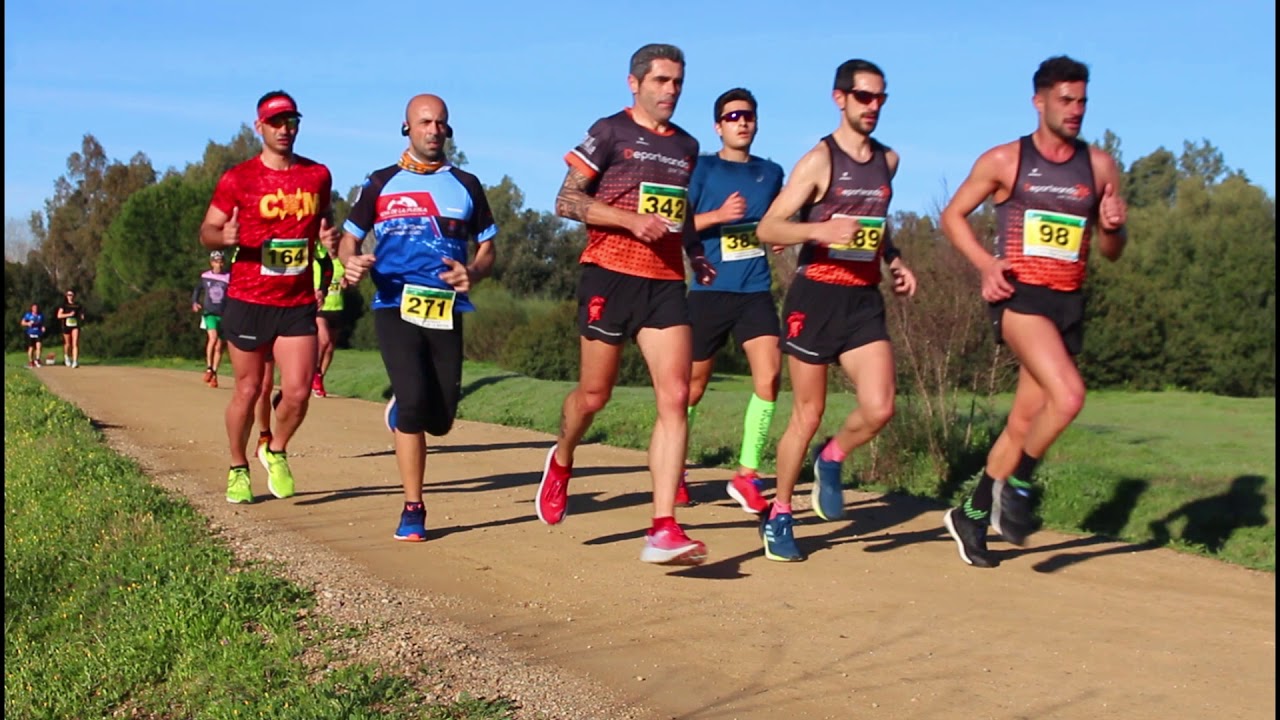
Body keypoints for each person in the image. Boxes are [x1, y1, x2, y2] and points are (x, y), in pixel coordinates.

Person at [939, 56, 1128, 568]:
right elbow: (952, 215)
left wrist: (1111, 227)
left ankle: (972, 514)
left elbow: (1112, 250)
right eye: (1066, 100)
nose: (1076, 110)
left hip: (1067, 304)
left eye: (1082, 101)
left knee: (1025, 420)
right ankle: (1019, 487)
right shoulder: (1006, 161)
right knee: (1068, 397)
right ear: (1039, 101)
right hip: (1019, 299)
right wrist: (984, 264)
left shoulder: (1100, 167)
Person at [534, 43, 716, 566]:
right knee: (594, 397)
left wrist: (695, 253)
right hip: (608, 276)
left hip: (663, 283)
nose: (671, 91)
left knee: (676, 396)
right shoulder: (610, 131)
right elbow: (566, 200)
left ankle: (663, 527)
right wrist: (628, 219)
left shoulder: (687, 146)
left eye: (678, 82)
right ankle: (563, 457)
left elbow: (676, 213)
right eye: (661, 81)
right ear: (634, 84)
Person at [755, 59, 918, 562]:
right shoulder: (818, 162)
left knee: (880, 407)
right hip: (817, 297)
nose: (873, 107)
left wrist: (893, 258)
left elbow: (875, 222)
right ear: (840, 98)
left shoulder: (888, 160)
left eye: (880, 98)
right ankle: (780, 514)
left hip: (863, 297)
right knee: (807, 413)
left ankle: (833, 457)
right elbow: (768, 228)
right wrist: (818, 231)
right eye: (864, 97)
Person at [341, 93, 497, 542]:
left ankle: (406, 408)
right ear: (407, 128)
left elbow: (487, 247)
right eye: (425, 122)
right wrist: (350, 263)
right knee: (413, 403)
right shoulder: (380, 182)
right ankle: (413, 508)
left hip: (446, 307)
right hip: (394, 303)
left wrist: (474, 271)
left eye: (441, 123)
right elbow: (349, 240)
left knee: (442, 419)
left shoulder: (466, 184)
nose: (434, 130)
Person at [199, 90, 339, 504]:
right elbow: (208, 229)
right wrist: (221, 237)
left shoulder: (318, 175)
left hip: (295, 302)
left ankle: (274, 449)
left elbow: (323, 223)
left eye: (291, 122)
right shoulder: (238, 178)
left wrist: (331, 241)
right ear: (258, 127)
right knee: (247, 390)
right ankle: (237, 466)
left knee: (296, 392)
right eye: (276, 122)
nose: (284, 129)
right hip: (248, 299)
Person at [684, 87, 786, 514]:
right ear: (718, 126)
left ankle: (746, 474)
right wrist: (717, 218)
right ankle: (673, 473)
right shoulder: (702, 168)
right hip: (709, 289)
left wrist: (781, 234)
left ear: (757, 122)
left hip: (755, 289)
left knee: (770, 377)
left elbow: (781, 219)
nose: (741, 122)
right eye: (732, 116)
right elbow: (677, 224)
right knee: (691, 388)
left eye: (747, 115)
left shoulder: (772, 173)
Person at [311, 231, 345, 397]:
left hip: (337, 307)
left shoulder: (340, 262)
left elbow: (346, 282)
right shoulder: (318, 261)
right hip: (320, 309)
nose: (332, 245)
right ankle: (314, 372)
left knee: (330, 347)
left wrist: (346, 282)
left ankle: (319, 379)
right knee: (323, 341)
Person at [192, 250, 231, 387]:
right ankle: (209, 368)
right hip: (210, 313)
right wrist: (195, 302)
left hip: (224, 315)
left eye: (220, 262)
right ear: (211, 262)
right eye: (216, 261)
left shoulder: (229, 277)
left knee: (219, 347)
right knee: (213, 338)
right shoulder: (205, 277)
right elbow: (197, 289)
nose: (218, 265)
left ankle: (214, 374)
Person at [56, 289, 85, 367]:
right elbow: (59, 315)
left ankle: (75, 361)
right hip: (66, 326)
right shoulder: (64, 305)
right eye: (68, 295)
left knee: (75, 343)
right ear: (66, 296)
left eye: (71, 295)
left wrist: (81, 316)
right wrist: (68, 314)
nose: (70, 297)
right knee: (68, 344)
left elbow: (81, 314)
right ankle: (67, 357)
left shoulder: (78, 305)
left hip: (75, 325)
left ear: (74, 296)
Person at [21, 303, 44, 369]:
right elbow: (22, 322)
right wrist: (27, 323)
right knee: (31, 348)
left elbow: (42, 323)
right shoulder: (28, 315)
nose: (35, 309)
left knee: (39, 347)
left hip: (38, 333)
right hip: (30, 333)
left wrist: (43, 327)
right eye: (34, 308)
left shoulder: (40, 315)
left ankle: (37, 360)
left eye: (36, 308)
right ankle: (31, 361)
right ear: (32, 309)